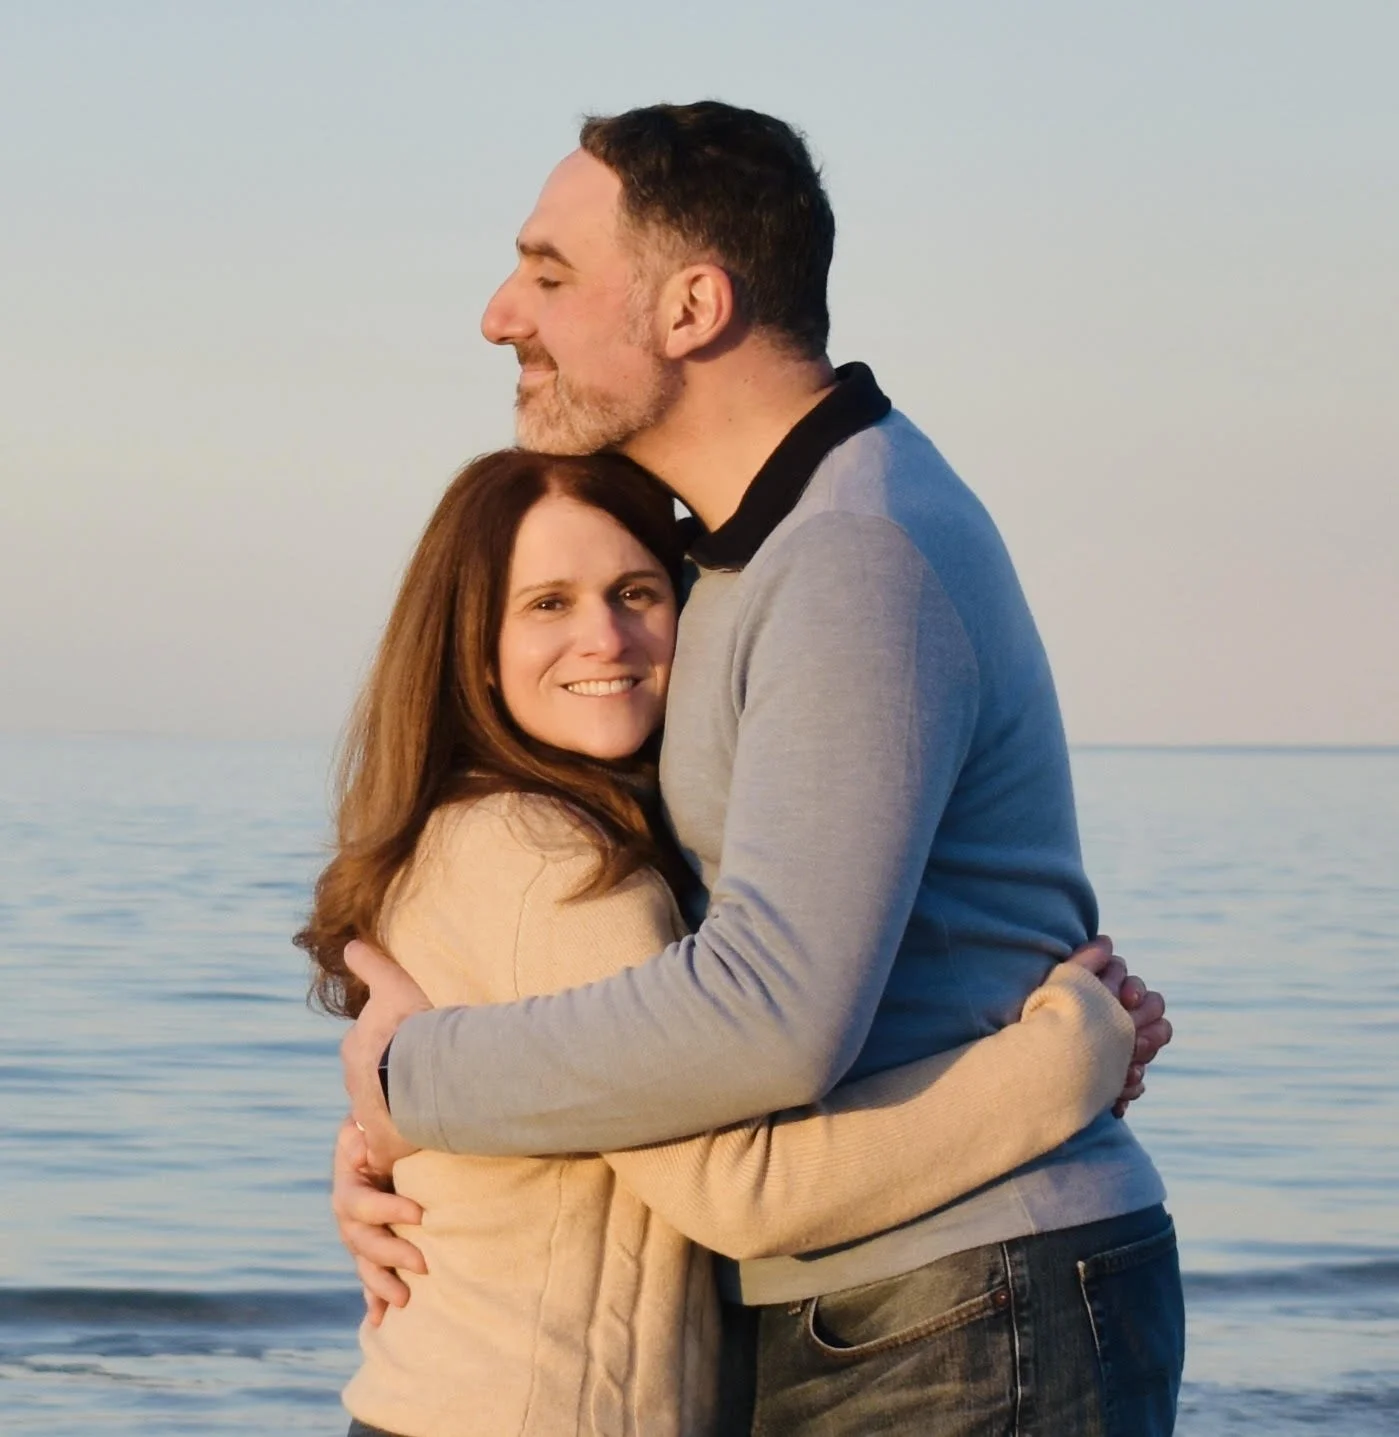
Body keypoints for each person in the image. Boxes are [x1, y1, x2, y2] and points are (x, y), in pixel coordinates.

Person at [338, 102, 1184, 1434]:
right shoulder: (740, 561)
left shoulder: (850, 556)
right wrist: (408, 1140)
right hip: (893, 1292)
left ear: (691, 304)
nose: (501, 313)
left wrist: (414, 1080)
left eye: (550, 274)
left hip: (963, 1295)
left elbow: (769, 1010)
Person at [304, 447, 1148, 1436]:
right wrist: (1063, 1066)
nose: (604, 638)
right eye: (546, 605)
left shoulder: (474, 831)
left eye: (634, 592)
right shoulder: (552, 860)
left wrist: (378, 1133)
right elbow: (738, 1191)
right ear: (470, 645)